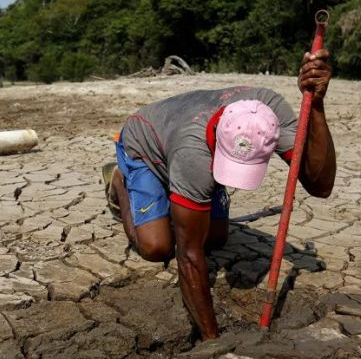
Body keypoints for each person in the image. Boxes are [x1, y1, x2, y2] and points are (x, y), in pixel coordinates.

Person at [103, 50, 336, 340]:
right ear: (217, 143)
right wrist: (212, 341)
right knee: (157, 247)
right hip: (145, 144)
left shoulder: (268, 114)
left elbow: (320, 185)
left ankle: (176, 198)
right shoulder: (194, 155)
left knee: (215, 238)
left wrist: (316, 105)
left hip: (183, 147)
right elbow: (187, 255)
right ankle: (120, 181)